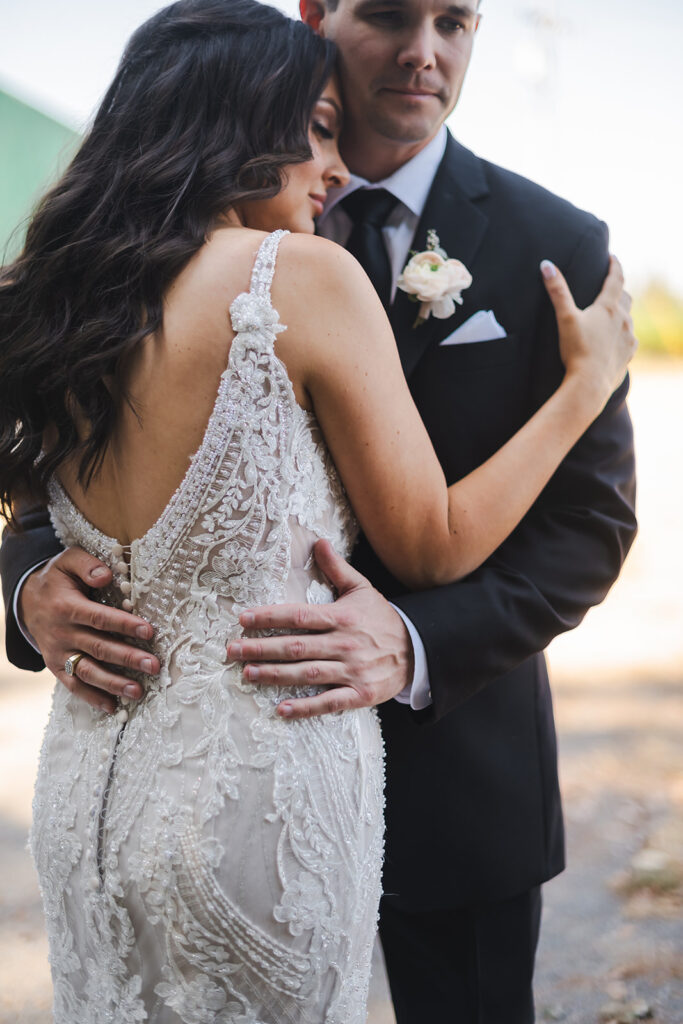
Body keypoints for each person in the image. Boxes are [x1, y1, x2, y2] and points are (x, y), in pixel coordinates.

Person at [0, 3, 637, 1024]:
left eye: (455, 20)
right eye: (387, 14)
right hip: (268, 790)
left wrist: (413, 646)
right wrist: (31, 586)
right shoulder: (293, 266)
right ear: (316, 19)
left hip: (422, 779)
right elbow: (36, 516)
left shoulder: (550, 242)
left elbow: (589, 528)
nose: (424, 50)